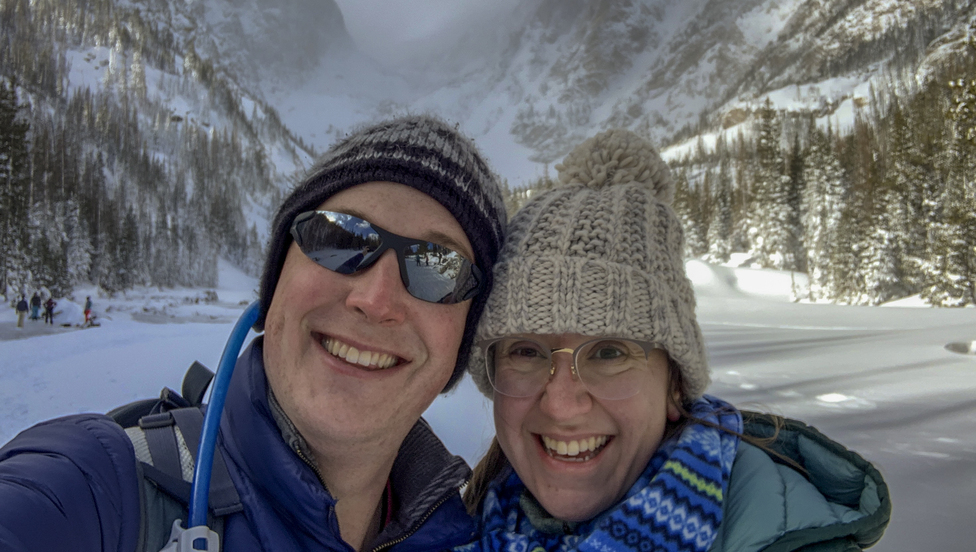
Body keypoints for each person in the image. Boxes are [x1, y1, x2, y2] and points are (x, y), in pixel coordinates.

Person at [0, 115, 508, 552]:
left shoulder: (471, 535)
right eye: (339, 237)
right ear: (276, 283)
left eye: (438, 266)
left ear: (461, 341)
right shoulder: (98, 486)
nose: (375, 300)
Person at [459, 130, 891, 552]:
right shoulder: (461, 526)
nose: (560, 404)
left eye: (609, 352)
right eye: (526, 351)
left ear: (675, 385)